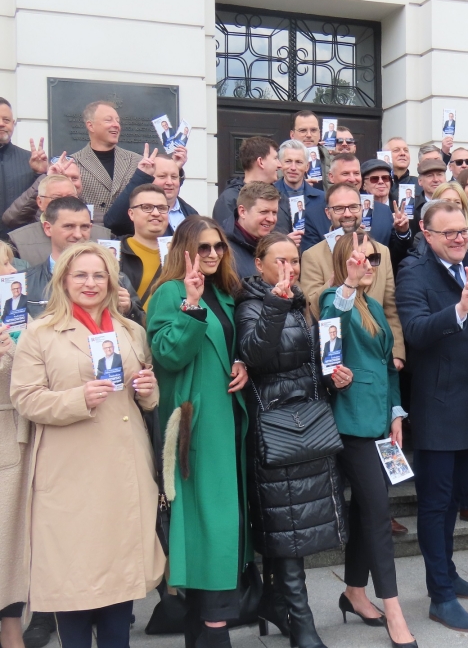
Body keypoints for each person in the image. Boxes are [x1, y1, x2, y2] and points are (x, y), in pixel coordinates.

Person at [11, 241, 163, 648]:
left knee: (120, 582)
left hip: (123, 469)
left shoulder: (130, 331)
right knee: (72, 582)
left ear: (112, 281)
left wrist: (149, 390)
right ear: (63, 280)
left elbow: (147, 398)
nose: (90, 283)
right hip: (70, 473)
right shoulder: (39, 333)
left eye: (99, 275)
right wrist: (77, 399)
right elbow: (26, 398)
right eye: (80, 275)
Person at [395, 202, 468, 633]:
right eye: (450, 233)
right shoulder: (414, 272)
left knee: (458, 499)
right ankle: (440, 594)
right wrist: (459, 310)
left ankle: (449, 574)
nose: (460, 238)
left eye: (464, 230)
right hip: (438, 406)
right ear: (427, 234)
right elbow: (415, 331)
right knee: (435, 503)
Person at [146, 215, 251, 648]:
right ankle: (213, 625)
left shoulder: (225, 292)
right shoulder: (170, 292)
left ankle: (206, 625)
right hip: (197, 425)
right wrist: (190, 305)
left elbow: (229, 344)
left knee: (223, 519)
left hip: (229, 419)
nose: (212, 254)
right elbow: (168, 354)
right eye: (203, 247)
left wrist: (241, 362)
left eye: (218, 246)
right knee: (211, 521)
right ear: (185, 250)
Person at [234, 233, 344, 648]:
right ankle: (302, 624)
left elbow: (310, 363)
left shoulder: (301, 302)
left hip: (308, 425)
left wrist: (335, 377)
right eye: (280, 261)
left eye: (294, 260)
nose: (289, 268)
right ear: (258, 264)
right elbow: (254, 354)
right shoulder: (252, 304)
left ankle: (277, 604)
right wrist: (276, 304)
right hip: (276, 432)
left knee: (295, 527)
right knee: (287, 529)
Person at [320, 232, 418, 648]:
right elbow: (333, 322)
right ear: (346, 261)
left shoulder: (375, 306)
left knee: (366, 508)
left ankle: (354, 591)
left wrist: (396, 413)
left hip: (379, 422)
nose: (369, 266)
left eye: (374, 259)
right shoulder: (332, 298)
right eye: (361, 259)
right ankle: (393, 609)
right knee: (378, 513)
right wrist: (347, 281)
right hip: (351, 423)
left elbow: (388, 366)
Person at [299, 183, 406, 366]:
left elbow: (390, 306)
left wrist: (397, 352)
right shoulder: (312, 256)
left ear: (361, 209)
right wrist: (335, 281)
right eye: (339, 208)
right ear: (328, 213)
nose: (347, 214)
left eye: (353, 207)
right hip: (342, 355)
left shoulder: (381, 251)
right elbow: (311, 309)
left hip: (379, 353)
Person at [24, 197, 143, 324]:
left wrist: (129, 309)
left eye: (84, 227)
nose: (78, 234)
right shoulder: (26, 282)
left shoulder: (117, 279)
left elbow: (142, 328)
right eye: (69, 226)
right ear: (48, 228)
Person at [0, 242, 28, 648]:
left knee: (11, 542)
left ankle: (11, 630)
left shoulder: (19, 313)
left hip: (16, 437)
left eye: (8, 263)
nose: (7, 271)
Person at [10, 174, 113, 266]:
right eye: (56, 198)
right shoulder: (19, 240)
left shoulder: (103, 236)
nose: (65, 203)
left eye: (70, 197)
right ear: (40, 202)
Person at [70, 101, 142, 222]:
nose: (116, 125)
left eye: (118, 121)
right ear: (90, 126)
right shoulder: (73, 163)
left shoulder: (137, 161)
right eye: (108, 120)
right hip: (92, 230)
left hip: (128, 231)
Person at [104, 149, 198, 238]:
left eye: (174, 177)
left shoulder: (191, 214)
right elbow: (113, 222)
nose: (169, 182)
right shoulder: (141, 210)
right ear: (148, 177)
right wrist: (140, 177)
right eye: (162, 176)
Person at [213, 137, 281, 234]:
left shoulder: (279, 196)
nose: (280, 165)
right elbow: (225, 237)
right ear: (260, 162)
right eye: (275, 158)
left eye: (274, 212)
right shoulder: (229, 199)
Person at [118, 184, 170, 308]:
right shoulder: (114, 253)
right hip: (128, 320)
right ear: (131, 214)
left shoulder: (180, 253)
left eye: (162, 208)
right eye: (146, 207)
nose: (156, 213)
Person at [0, 98, 41, 237]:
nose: (1, 124)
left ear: (13, 123)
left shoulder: (30, 160)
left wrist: (40, 174)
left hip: (20, 242)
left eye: (6, 120)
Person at [227, 182, 280, 279]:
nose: (271, 219)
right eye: (264, 212)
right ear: (242, 211)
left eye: (274, 213)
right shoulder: (222, 249)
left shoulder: (277, 245)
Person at [274, 140, 325, 231]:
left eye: (298, 162)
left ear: (307, 166)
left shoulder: (322, 198)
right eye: (288, 161)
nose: (293, 168)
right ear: (280, 164)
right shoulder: (269, 195)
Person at [289, 110, 332, 188]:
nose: (309, 135)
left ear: (319, 134)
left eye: (313, 130)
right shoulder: (280, 164)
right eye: (303, 130)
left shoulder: (333, 162)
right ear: (292, 135)